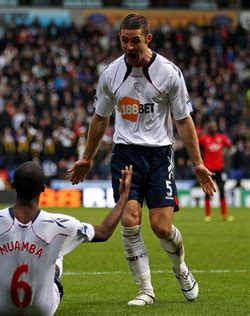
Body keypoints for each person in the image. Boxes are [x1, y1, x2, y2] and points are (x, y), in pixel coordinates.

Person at [69, 14, 216, 306]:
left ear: (147, 39)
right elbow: (100, 119)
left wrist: (198, 163)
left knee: (161, 227)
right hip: (125, 154)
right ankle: (145, 289)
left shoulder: (169, 72)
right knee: (129, 221)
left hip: (160, 155)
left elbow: (183, 121)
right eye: (124, 40)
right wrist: (87, 157)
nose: (129, 46)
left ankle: (181, 268)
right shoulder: (110, 73)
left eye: (135, 40)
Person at [0, 140, 133, 316]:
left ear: (13, 186)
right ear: (43, 189)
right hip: (42, 310)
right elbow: (103, 232)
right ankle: (55, 268)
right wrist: (123, 197)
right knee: (57, 257)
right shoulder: (61, 224)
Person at [198, 121, 233, 221]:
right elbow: (196, 145)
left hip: (219, 168)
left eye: (214, 126)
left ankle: (224, 215)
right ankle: (207, 215)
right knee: (207, 191)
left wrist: (225, 153)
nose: (213, 128)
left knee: (222, 190)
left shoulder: (221, 137)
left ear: (217, 128)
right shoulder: (204, 138)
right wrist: (201, 157)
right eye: (211, 127)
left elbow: (229, 145)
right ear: (208, 128)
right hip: (208, 169)